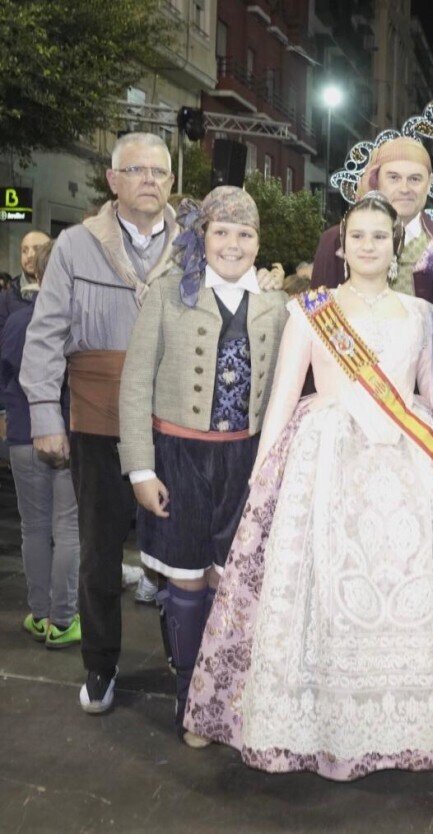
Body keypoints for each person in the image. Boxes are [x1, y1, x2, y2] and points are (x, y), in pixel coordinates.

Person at [184, 192, 433, 779]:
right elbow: (283, 394)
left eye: (380, 236)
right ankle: (316, 719)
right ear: (342, 247)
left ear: (395, 247)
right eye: (359, 236)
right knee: (320, 586)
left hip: (407, 458)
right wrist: (263, 473)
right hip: (324, 457)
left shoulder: (421, 314)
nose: (369, 245)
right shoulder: (310, 310)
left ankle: (412, 721)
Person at [118, 186, 288, 742]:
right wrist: (141, 469)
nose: (233, 244)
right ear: (203, 236)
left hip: (243, 460)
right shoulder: (169, 292)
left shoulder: (276, 304)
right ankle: (189, 693)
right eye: (221, 232)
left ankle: (221, 695)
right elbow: (135, 383)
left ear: (258, 242)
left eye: (245, 234)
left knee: (226, 578)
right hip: (179, 457)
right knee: (186, 579)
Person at [20, 133, 180, 715]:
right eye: (136, 170)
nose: (149, 180)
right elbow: (46, 334)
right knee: (99, 554)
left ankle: (184, 661)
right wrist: (45, 413)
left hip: (172, 424)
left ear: (171, 182)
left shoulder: (193, 245)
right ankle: (101, 665)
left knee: (177, 555)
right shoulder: (75, 244)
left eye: (159, 172)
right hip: (96, 418)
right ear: (113, 180)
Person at [1, 240, 81, 649]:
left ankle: (40, 614)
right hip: (66, 432)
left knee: (33, 527)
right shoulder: (76, 323)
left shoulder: (16, 321)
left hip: (21, 434)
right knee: (67, 527)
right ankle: (63, 619)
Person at [312, 137, 433, 302]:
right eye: (393, 177)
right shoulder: (335, 241)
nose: (404, 189)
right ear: (377, 180)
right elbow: (316, 310)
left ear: (429, 183)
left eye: (415, 179)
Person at [0, 230, 51, 341]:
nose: (30, 255)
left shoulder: (67, 295)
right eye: (24, 250)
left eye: (37, 249)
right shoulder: (5, 299)